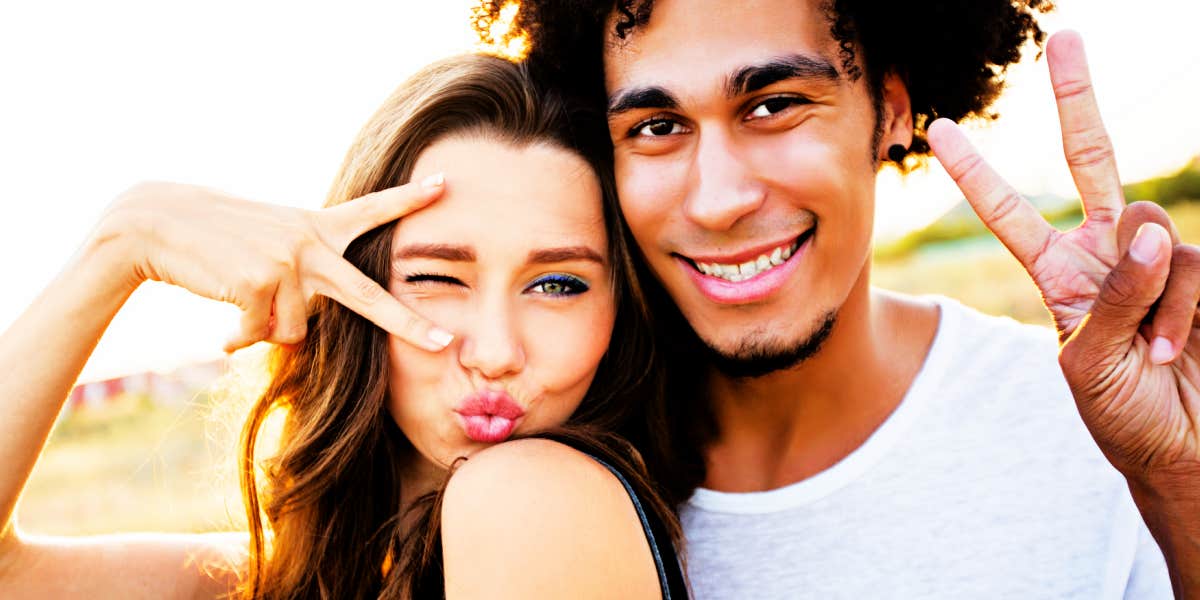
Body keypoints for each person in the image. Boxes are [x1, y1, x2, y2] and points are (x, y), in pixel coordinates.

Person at [484, 0, 1200, 597]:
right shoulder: (543, 472)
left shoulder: (1099, 432)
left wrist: (1178, 479)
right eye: (657, 127)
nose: (717, 200)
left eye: (774, 105)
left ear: (890, 111)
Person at [0, 53, 688, 598]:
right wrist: (121, 243)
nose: (496, 352)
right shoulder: (285, 577)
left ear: (619, 314)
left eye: (557, 284)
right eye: (437, 279)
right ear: (346, 283)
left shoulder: (529, 497)